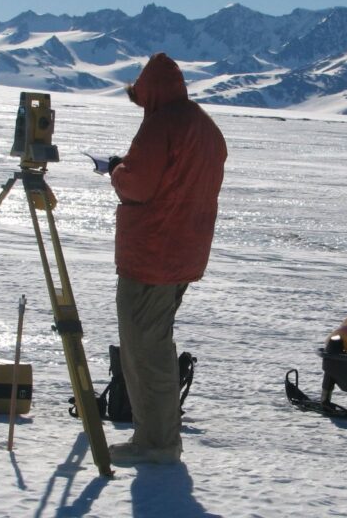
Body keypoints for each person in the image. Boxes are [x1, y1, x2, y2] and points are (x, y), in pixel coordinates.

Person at [106, 53, 227, 465]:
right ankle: (156, 438)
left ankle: (156, 444)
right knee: (153, 344)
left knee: (145, 351)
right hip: (181, 254)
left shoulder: (162, 125)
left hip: (152, 256)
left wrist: (116, 170)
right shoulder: (204, 126)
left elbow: (137, 185)